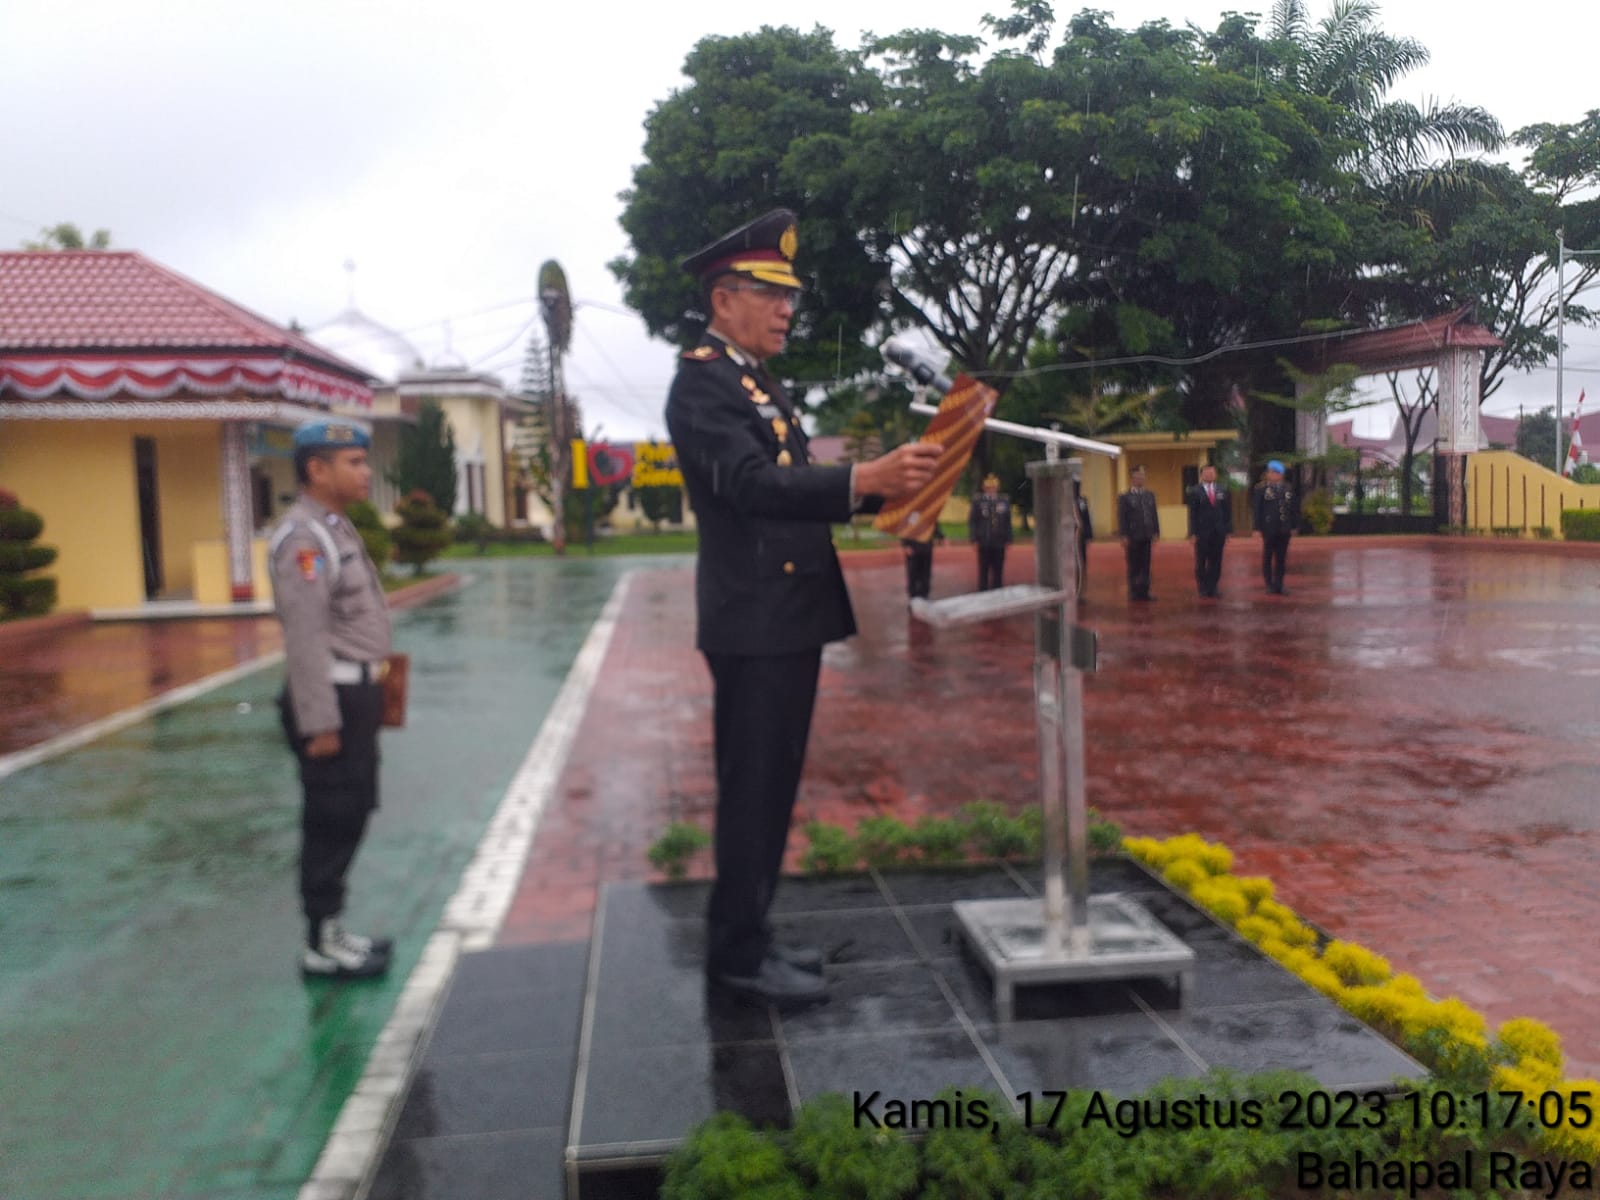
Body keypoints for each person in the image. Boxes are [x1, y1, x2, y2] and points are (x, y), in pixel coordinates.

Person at [665, 207, 941, 1011]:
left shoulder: (750, 378)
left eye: (792, 296)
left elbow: (788, 490)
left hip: (782, 615)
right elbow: (750, 487)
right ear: (724, 300)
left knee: (772, 787)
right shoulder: (703, 383)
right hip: (755, 621)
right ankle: (737, 956)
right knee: (753, 788)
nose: (789, 309)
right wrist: (862, 480)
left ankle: (752, 933)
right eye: (771, 294)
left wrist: (879, 492)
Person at [269, 419, 394, 980]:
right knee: (329, 818)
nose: (365, 472)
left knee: (351, 813)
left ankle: (335, 928)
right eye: (353, 462)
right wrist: (319, 721)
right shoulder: (304, 539)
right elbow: (305, 639)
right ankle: (320, 942)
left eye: (364, 461)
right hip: (329, 700)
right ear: (316, 469)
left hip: (355, 692)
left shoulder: (334, 526)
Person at [1252, 459, 1301, 594]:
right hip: (1268, 528)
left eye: (1276, 472)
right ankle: (1269, 584)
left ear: (1281, 474)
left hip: (1284, 528)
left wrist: (1294, 525)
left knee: (1281, 558)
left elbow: (1293, 509)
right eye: (1271, 472)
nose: (1273, 475)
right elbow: (1257, 509)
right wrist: (1256, 528)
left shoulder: (1287, 488)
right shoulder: (1261, 489)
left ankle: (1279, 584)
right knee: (1268, 556)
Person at [1186, 463, 1231, 598]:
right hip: (1202, 533)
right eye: (1207, 473)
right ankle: (1203, 587)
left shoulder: (1222, 490)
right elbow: (1192, 514)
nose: (1210, 475)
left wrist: (1228, 530)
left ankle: (1213, 587)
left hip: (1218, 532)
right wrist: (1193, 533)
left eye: (1212, 472)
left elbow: (1227, 512)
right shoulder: (1195, 491)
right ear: (1202, 475)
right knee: (1201, 561)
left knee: (1216, 561)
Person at [1116, 465, 1160, 601]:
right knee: (1134, 565)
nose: (1141, 478)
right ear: (1132, 478)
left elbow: (1153, 514)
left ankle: (1145, 591)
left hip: (1147, 535)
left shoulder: (1149, 495)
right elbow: (1122, 517)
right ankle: (1134, 591)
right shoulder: (1125, 497)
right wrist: (1123, 535)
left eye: (1142, 476)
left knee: (1146, 565)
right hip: (1133, 536)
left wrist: (1156, 531)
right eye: (1138, 476)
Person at [969, 474, 1013, 591]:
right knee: (983, 570)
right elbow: (973, 521)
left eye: (993, 487)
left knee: (998, 570)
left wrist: (1009, 538)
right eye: (989, 488)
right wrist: (974, 539)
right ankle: (983, 593)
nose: (991, 490)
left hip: (999, 542)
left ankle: (997, 593)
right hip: (984, 541)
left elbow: (1007, 521)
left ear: (997, 488)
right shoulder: (978, 502)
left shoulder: (1003, 501)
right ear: (984, 488)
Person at [901, 525, 944, 601]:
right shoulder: (911, 514)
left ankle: (924, 594)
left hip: (926, 547)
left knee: (926, 573)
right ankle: (913, 595)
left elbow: (934, 525)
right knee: (913, 572)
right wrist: (906, 544)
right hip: (913, 548)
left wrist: (941, 537)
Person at [1073, 481, 1093, 598]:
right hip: (1069, 539)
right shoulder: (1064, 500)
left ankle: (1080, 591)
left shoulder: (1082, 501)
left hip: (1081, 538)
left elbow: (1087, 518)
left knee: (1081, 563)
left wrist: (1089, 535)